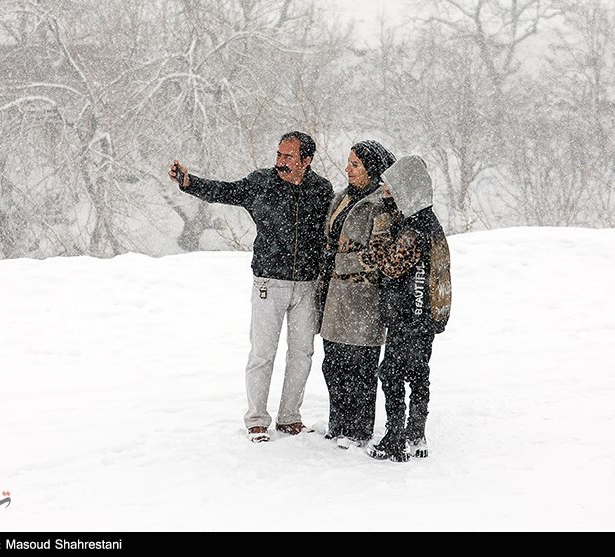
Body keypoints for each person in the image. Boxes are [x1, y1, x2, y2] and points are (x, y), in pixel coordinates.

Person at [168, 131, 334, 443]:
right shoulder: (262, 183)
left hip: (307, 284)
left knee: (302, 353)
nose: (281, 161)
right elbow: (225, 191)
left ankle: (290, 417)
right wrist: (189, 183)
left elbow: (331, 232)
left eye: (288, 156)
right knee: (262, 353)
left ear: (306, 160)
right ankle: (257, 420)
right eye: (279, 154)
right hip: (269, 282)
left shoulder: (321, 190)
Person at [360, 155, 452, 462]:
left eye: (390, 186)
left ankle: (394, 439)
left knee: (392, 374)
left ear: (406, 188)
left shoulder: (412, 228)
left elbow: (390, 266)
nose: (384, 190)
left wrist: (379, 233)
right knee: (419, 374)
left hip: (406, 316)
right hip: (423, 317)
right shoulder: (428, 222)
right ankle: (416, 433)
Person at [318, 140, 396, 449]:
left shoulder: (382, 205)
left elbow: (379, 256)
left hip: (364, 300)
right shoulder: (342, 197)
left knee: (360, 369)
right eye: (349, 163)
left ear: (372, 169)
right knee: (333, 365)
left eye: (355, 165)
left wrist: (340, 261)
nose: (347, 169)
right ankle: (338, 426)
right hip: (335, 297)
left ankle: (359, 431)